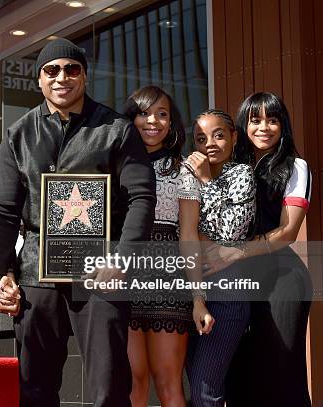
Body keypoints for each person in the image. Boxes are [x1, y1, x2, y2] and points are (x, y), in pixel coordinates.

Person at [0, 38, 157, 407]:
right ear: (39, 80)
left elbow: (141, 198)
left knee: (108, 386)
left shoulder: (118, 129)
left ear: (85, 77)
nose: (62, 77)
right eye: (52, 70)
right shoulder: (18, 135)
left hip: (101, 270)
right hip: (36, 272)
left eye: (71, 69)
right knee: (34, 387)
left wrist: (122, 259)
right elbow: (3, 210)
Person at [213, 93, 312, 406]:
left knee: (282, 371)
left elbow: (288, 232)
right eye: (255, 120)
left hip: (282, 276)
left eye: (273, 120)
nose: (264, 127)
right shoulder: (228, 168)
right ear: (244, 125)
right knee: (239, 371)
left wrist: (238, 251)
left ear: (283, 125)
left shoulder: (295, 166)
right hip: (236, 277)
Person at [124, 85, 213, 406]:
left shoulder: (183, 170)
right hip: (124, 279)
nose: (153, 121)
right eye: (144, 113)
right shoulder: (114, 167)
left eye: (162, 114)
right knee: (131, 381)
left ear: (172, 123)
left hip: (168, 282)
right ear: (130, 119)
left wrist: (198, 300)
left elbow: (189, 236)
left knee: (168, 382)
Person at [182, 110, 256, 406]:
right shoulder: (184, 176)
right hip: (192, 289)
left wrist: (205, 181)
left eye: (219, 135)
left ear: (234, 137)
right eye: (201, 138)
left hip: (228, 291)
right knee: (197, 384)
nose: (209, 144)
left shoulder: (241, 173)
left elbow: (230, 232)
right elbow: (182, 232)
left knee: (205, 389)